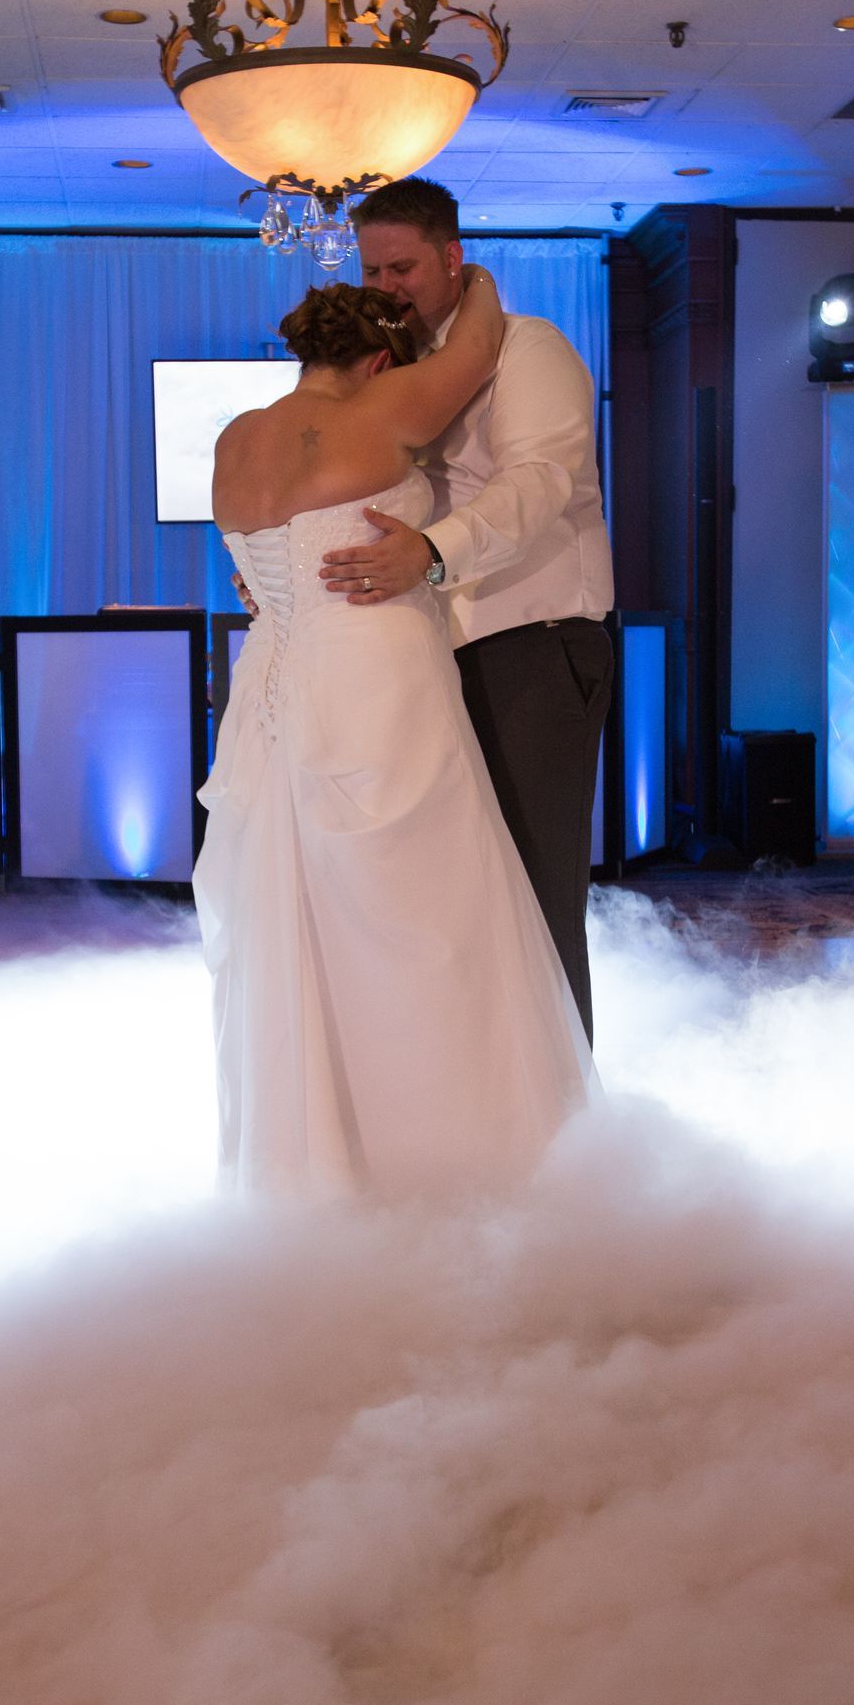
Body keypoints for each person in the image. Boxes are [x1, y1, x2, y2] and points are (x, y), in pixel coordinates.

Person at [194, 275, 597, 1198]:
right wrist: (469, 277)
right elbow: (476, 345)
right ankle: (454, 1155)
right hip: (374, 672)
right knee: (429, 918)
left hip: (271, 681)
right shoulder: (383, 407)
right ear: (378, 359)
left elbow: (264, 561)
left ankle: (324, 1160)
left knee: (298, 917)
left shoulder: (233, 438)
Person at [319, 177, 615, 1043]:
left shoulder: (530, 347)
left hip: (533, 644)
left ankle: (567, 1135)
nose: (386, 287)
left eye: (403, 266)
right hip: (432, 660)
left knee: (534, 894)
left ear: (454, 258)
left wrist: (433, 550)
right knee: (453, 899)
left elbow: (540, 484)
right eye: (373, 269)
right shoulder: (398, 376)